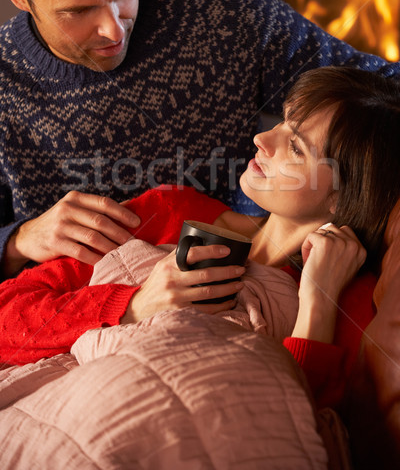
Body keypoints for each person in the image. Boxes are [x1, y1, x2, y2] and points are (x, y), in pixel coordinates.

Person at [0, 0, 399, 287]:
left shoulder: (221, 11)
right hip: (69, 304)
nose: (115, 30)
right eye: (79, 12)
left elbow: (378, 91)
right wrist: (18, 240)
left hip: (236, 278)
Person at [1, 66, 399, 411]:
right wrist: (131, 306)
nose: (264, 139)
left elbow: (296, 432)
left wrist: (317, 301)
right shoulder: (171, 210)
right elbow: (7, 318)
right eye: (281, 120)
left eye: (295, 146)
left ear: (343, 197)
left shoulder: (352, 305)